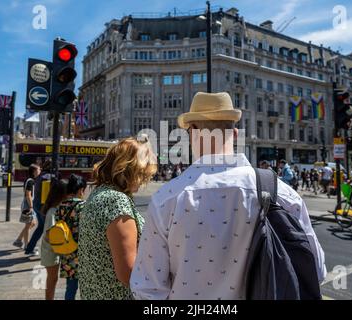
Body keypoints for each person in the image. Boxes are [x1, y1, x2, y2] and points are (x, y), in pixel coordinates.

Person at [130, 92, 326, 300]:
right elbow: (316, 270)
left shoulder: (166, 199)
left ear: (193, 132)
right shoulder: (283, 194)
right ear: (234, 134)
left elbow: (147, 289)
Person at [78, 136, 157, 300]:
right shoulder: (115, 201)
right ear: (130, 170)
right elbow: (128, 272)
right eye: (142, 174)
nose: (144, 181)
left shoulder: (99, 194)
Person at [55, 174, 87, 300]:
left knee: (71, 287)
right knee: (86, 287)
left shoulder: (61, 205)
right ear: (80, 190)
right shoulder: (82, 206)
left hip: (66, 250)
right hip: (82, 252)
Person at [40, 179, 68, 300]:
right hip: (50, 251)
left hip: (53, 250)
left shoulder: (56, 208)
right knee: (52, 279)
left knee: (53, 278)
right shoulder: (53, 211)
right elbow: (49, 234)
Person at [25, 160, 53, 255]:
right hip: (43, 205)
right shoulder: (47, 177)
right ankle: (48, 251)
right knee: (49, 228)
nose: (40, 168)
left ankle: (29, 248)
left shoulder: (39, 177)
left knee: (41, 227)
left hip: (37, 204)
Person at [13, 164, 41, 250]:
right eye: (38, 169)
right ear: (34, 171)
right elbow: (28, 194)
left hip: (28, 204)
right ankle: (27, 245)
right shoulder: (30, 181)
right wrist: (31, 207)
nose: (40, 170)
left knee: (31, 223)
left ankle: (18, 240)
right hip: (28, 205)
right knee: (29, 224)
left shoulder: (30, 180)